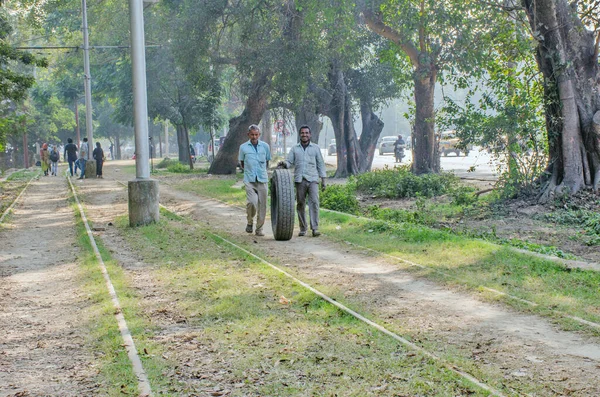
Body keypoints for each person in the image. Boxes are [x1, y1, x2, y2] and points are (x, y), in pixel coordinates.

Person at [280, 125, 326, 237]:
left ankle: (315, 228)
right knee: (300, 204)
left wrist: (323, 180)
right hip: (300, 180)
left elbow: (320, 164)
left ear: (310, 134)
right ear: (300, 134)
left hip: (313, 179)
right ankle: (303, 228)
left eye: (306, 133)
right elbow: (289, 161)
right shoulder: (295, 149)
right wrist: (284, 164)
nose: (304, 135)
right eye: (302, 133)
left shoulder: (315, 148)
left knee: (314, 202)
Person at [238, 124, 271, 237]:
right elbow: (242, 163)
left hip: (262, 179)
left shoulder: (265, 146)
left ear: (259, 135)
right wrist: (249, 170)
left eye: (256, 135)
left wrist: (261, 171)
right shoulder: (243, 147)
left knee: (262, 205)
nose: (254, 137)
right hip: (249, 179)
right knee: (252, 202)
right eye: (252, 134)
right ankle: (250, 222)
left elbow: (267, 161)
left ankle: (259, 229)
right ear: (248, 135)